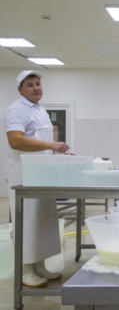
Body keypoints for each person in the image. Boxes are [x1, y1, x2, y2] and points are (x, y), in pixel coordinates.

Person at [4, 70, 70, 288]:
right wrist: (51, 145)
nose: (36, 88)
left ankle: (39, 266)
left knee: (42, 221)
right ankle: (24, 270)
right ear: (20, 89)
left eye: (38, 84)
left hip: (41, 174)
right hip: (24, 174)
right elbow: (16, 140)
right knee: (27, 222)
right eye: (30, 85)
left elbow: (40, 141)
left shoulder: (40, 110)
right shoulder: (16, 110)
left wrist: (56, 152)